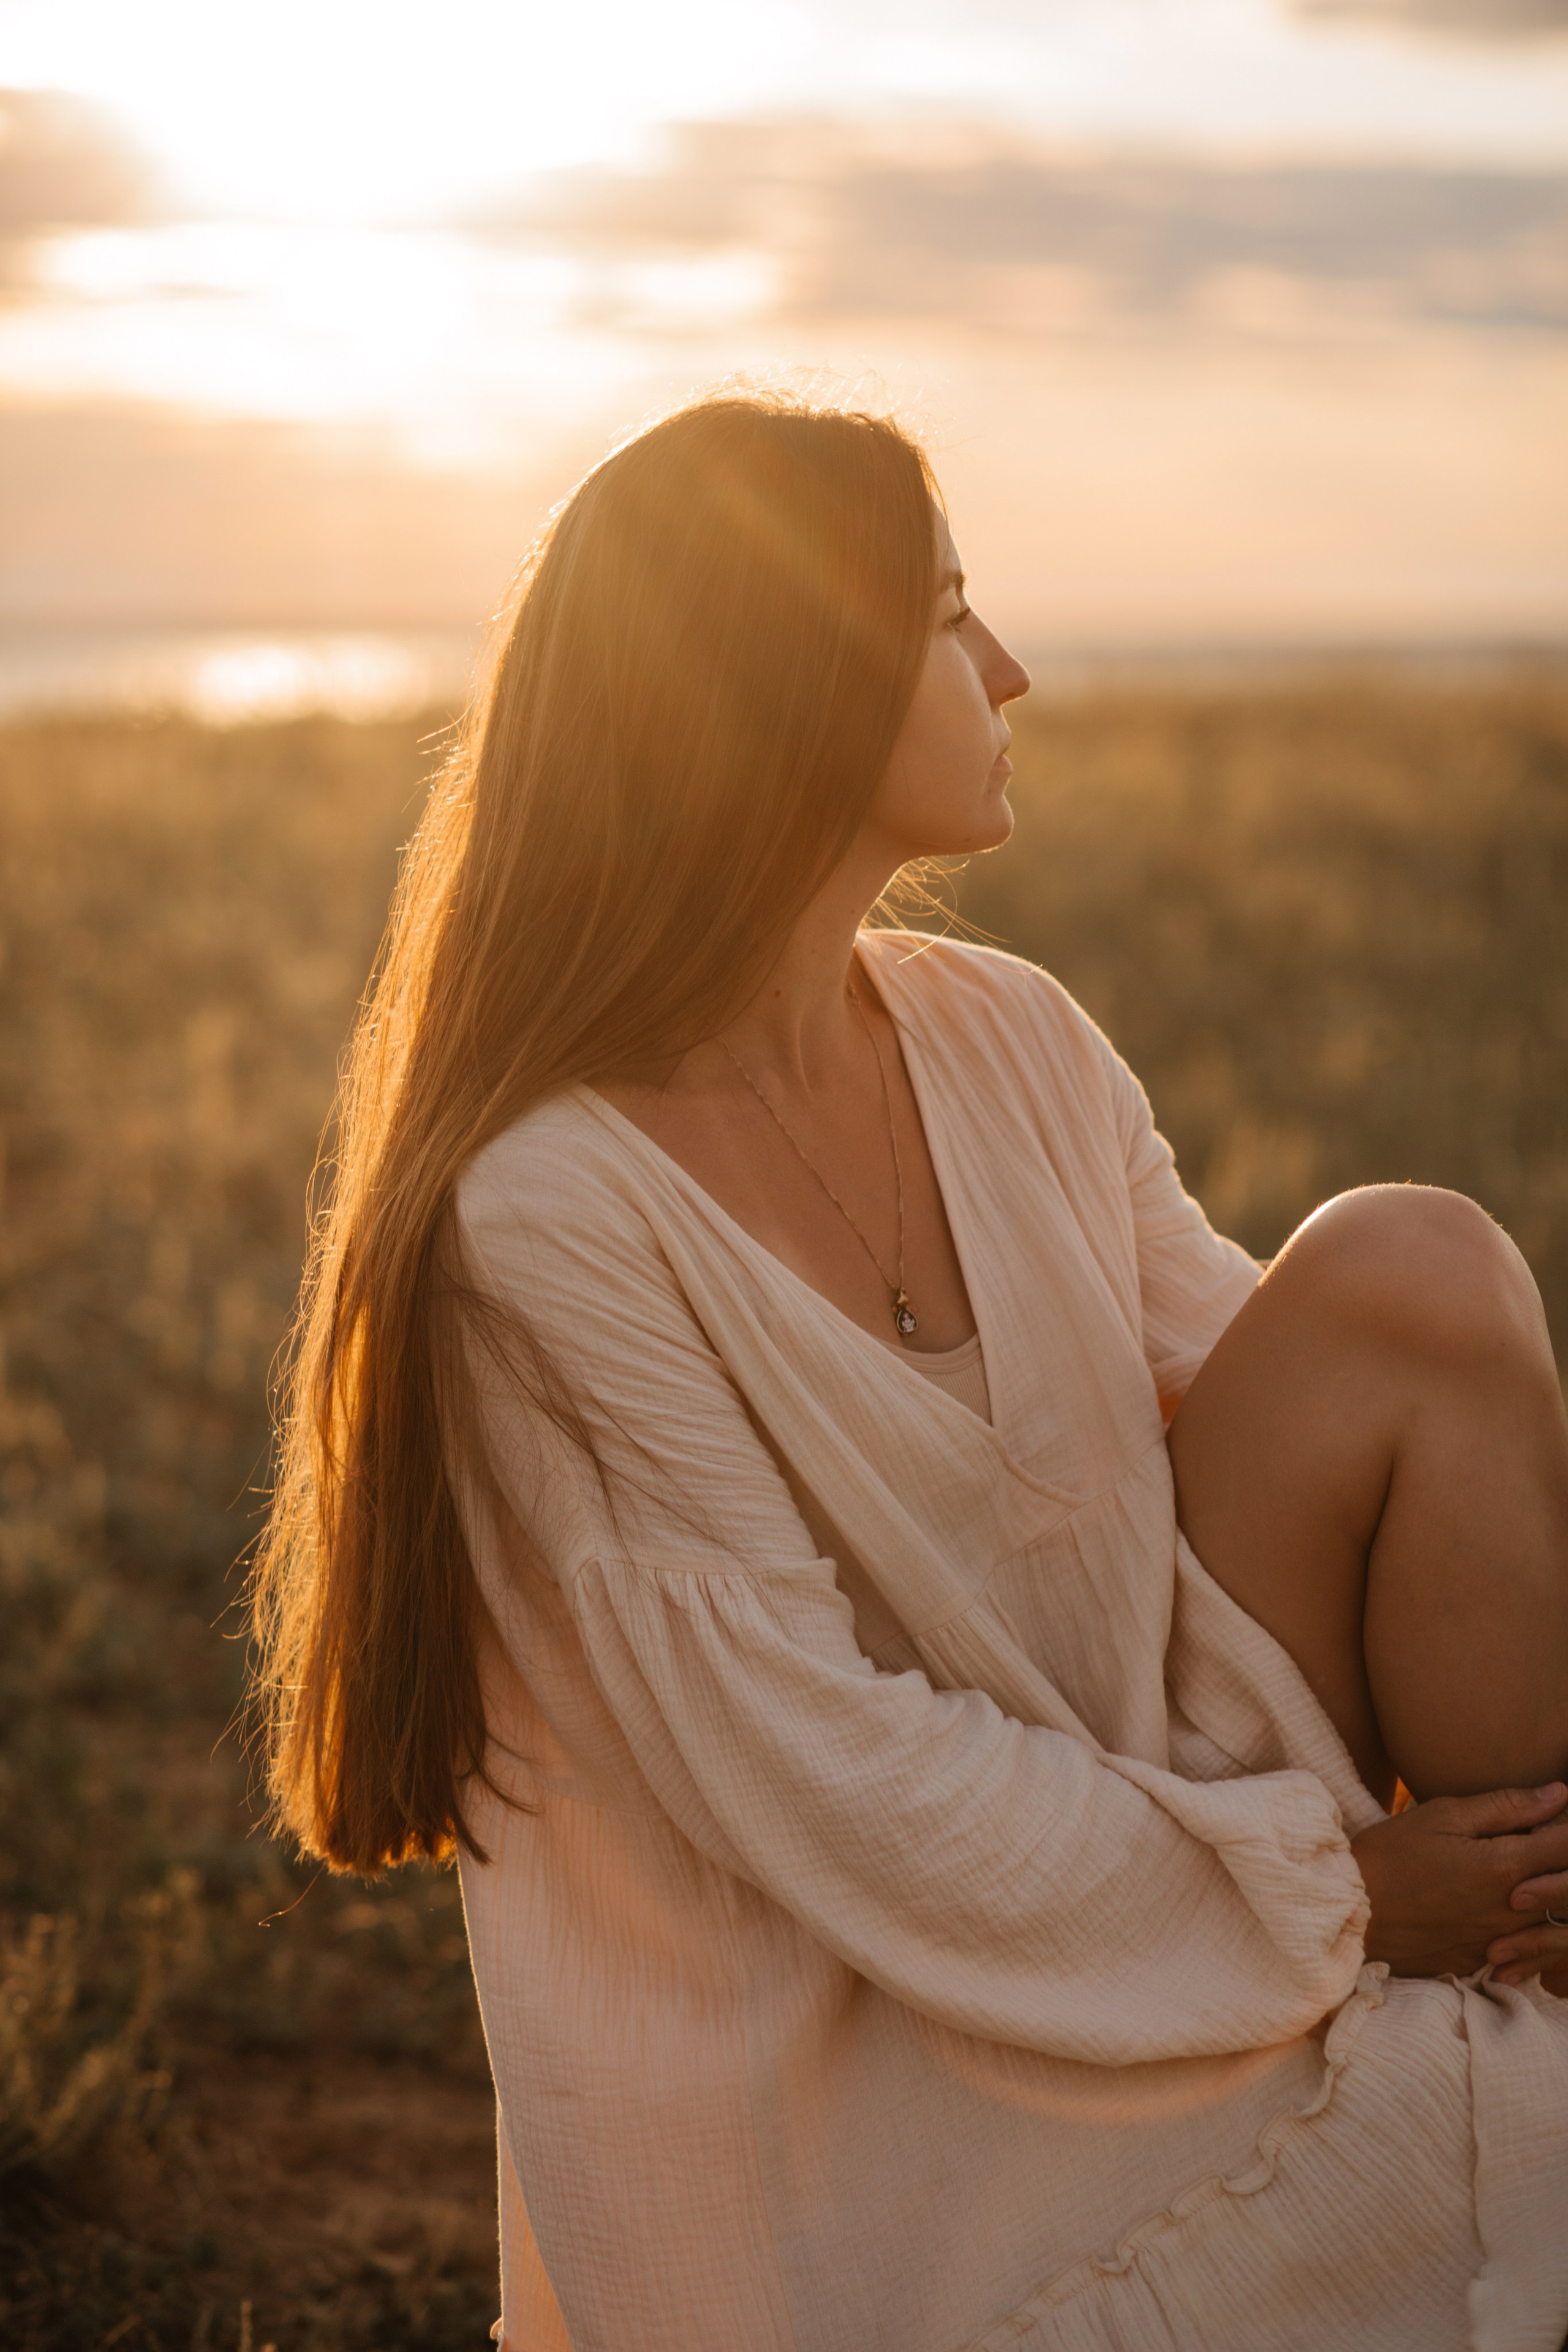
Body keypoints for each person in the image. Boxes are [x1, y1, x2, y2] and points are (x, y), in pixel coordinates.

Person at [254, 389, 1568, 2352]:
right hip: (875, 2037)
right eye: (952, 619)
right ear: (780, 691)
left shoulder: (1003, 1032)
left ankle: (1532, 1951)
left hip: (1161, 1831)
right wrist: (1344, 1895)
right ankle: (1479, 2008)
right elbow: (825, 1772)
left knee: (1417, 1263)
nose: (1011, 668)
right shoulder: (544, 1218)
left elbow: (1273, 1395)